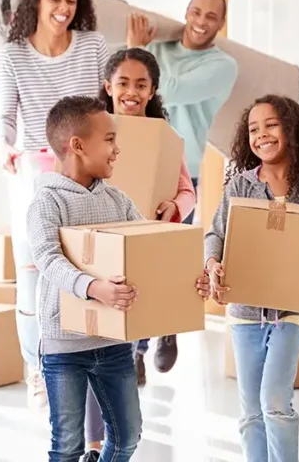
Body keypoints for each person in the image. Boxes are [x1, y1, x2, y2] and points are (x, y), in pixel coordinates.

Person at [27, 95, 212, 462]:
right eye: (109, 139)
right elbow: (48, 258)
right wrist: (95, 288)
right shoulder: (47, 201)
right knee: (67, 446)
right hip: (64, 344)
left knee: (127, 437)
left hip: (113, 341)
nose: (117, 150)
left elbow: (149, 252)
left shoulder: (117, 199)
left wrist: (191, 281)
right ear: (77, 146)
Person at [0, 0, 109, 410]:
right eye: (55, 0)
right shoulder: (13, 55)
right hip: (33, 172)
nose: (64, 9)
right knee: (33, 279)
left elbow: (107, 106)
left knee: (85, 270)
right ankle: (37, 371)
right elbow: (5, 117)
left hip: (84, 173)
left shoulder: (93, 46)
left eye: (72, 2)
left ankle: (88, 369)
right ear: (36, 3)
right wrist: (2, 148)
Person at [203, 95, 299, 462]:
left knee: (274, 402)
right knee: (251, 412)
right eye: (253, 129)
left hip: (292, 312)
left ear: (291, 131)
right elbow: (215, 233)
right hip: (246, 312)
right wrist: (213, 261)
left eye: (271, 125)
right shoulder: (240, 187)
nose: (261, 134)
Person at [125, 0, 239, 374]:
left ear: (220, 24)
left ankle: (166, 329)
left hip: (180, 170)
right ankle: (136, 353)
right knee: (134, 262)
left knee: (167, 263)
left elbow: (167, 89)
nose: (200, 21)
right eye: (195, 11)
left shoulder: (222, 66)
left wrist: (139, 51)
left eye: (210, 16)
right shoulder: (160, 48)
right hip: (138, 163)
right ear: (187, 12)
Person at [99, 47, 197, 384]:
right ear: (108, 87)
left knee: (143, 290)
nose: (132, 92)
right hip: (107, 235)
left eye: (141, 85)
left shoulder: (163, 137)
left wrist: (174, 207)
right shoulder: (92, 131)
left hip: (149, 233)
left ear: (152, 91)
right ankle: (134, 354)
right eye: (123, 83)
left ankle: (157, 333)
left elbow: (188, 192)